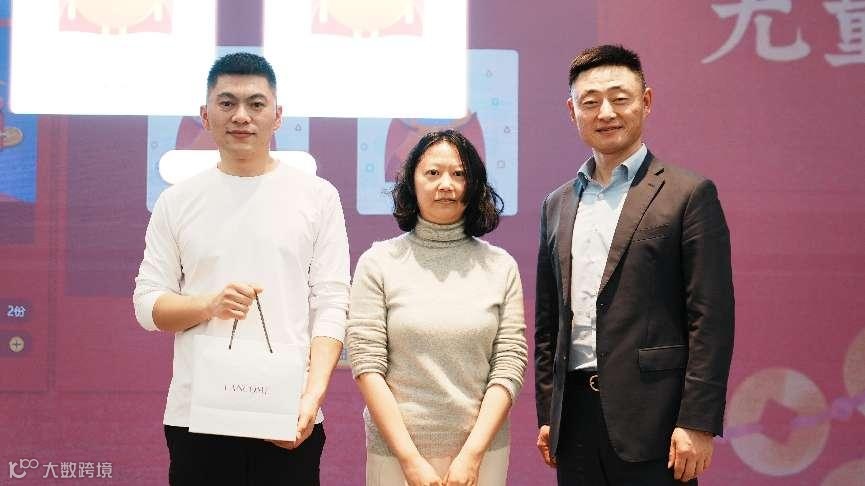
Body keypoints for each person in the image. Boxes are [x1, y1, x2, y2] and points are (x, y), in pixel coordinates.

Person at [132, 52, 350, 485]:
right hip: (197, 417)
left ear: (277, 115)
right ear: (205, 115)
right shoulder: (177, 201)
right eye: (227, 103)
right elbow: (147, 305)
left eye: (256, 104)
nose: (241, 116)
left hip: (288, 415)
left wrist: (310, 398)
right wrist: (208, 305)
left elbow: (332, 303)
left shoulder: (318, 197)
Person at [534, 44, 735, 485]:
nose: (605, 112)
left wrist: (697, 421)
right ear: (572, 111)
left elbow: (711, 318)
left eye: (619, 98)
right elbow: (549, 324)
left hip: (657, 422)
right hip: (575, 423)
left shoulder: (688, 194)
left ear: (646, 101)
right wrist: (549, 413)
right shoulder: (556, 204)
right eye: (590, 102)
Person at [347, 129, 528, 486]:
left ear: (474, 184)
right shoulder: (378, 262)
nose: (446, 184)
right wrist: (410, 460)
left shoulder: (500, 266)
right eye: (432, 173)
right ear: (410, 182)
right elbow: (367, 364)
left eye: (459, 174)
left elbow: (509, 364)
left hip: (481, 456)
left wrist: (471, 455)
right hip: (397, 457)